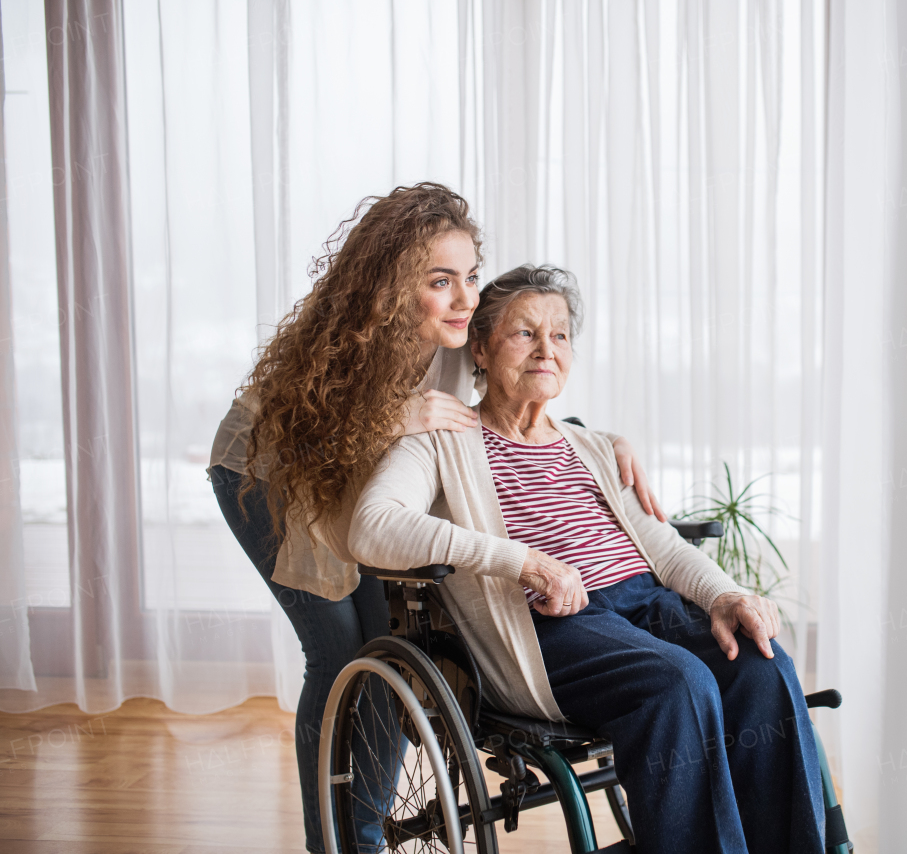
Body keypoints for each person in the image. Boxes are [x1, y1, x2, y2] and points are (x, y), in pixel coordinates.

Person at [206, 184, 662, 854]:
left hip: (355, 489)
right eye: (440, 281)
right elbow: (295, 435)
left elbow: (516, 391)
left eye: (470, 277)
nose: (464, 298)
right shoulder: (344, 336)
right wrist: (391, 418)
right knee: (337, 657)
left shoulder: (458, 335)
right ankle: (338, 842)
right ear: (392, 285)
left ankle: (364, 826)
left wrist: (600, 437)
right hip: (270, 473)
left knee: (392, 660)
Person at [349, 264, 826, 853]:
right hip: (548, 627)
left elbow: (664, 548)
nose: (547, 349)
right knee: (678, 683)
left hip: (644, 603)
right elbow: (371, 528)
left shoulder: (594, 447)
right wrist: (523, 561)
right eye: (525, 333)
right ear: (480, 346)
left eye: (561, 335)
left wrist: (726, 595)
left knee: (761, 664)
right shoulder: (443, 438)